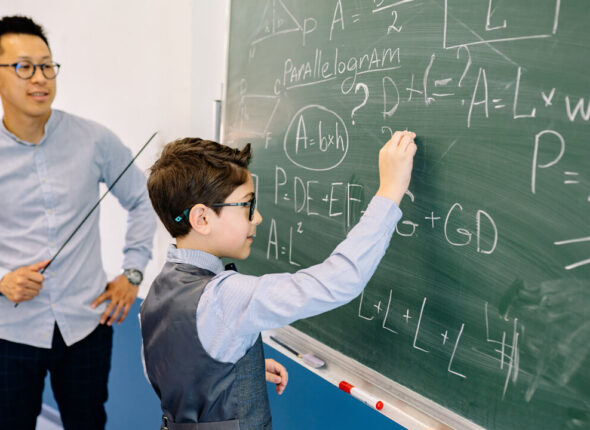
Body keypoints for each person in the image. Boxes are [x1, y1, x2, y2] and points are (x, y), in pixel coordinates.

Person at [141, 130, 417, 429]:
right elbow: (339, 281)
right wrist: (390, 191)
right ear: (202, 219)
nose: (257, 217)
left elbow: (175, 368)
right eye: (247, 205)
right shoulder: (224, 296)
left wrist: (234, 369)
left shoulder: (159, 291)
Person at [0, 15, 156, 429]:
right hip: (10, 332)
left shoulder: (93, 139)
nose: (40, 78)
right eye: (24, 67)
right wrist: (2, 280)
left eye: (47, 66)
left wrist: (133, 272)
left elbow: (143, 199)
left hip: (86, 325)